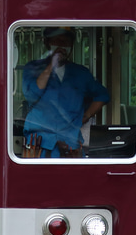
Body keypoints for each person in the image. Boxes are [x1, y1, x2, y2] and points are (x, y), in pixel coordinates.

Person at [21, 26, 110, 157]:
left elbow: (103, 95)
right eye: (56, 41)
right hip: (39, 145)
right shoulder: (33, 68)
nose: (61, 46)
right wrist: (51, 64)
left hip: (71, 144)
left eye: (66, 42)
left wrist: (86, 116)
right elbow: (31, 95)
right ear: (46, 43)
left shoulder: (81, 73)